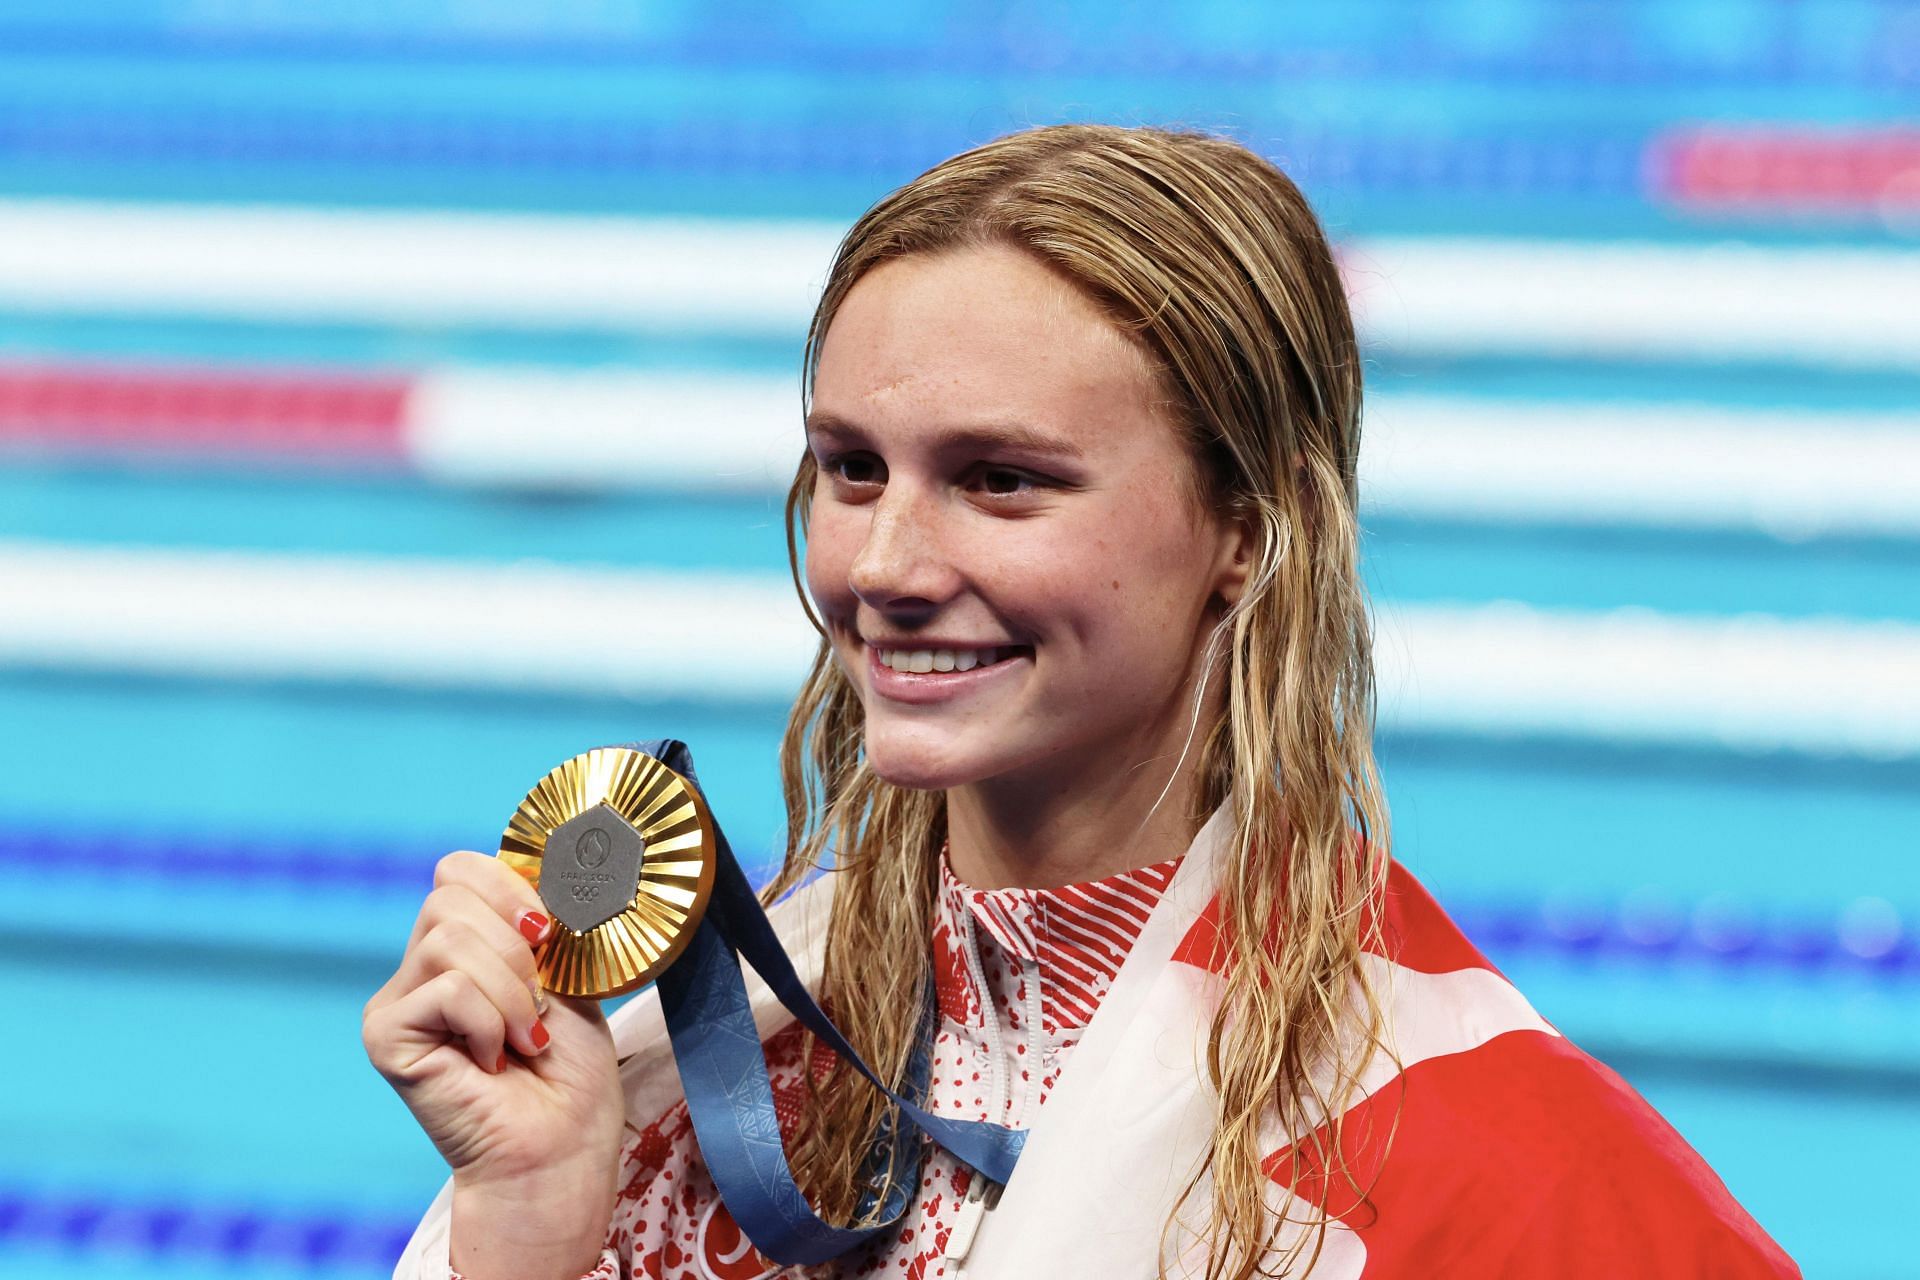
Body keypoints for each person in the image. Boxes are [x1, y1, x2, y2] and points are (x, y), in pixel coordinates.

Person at [364, 124, 1799, 1279]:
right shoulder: (667, 1101)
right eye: (853, 467)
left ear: (1244, 528)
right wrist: (525, 1234)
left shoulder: (1500, 1174)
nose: (884, 564)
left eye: (1003, 480)